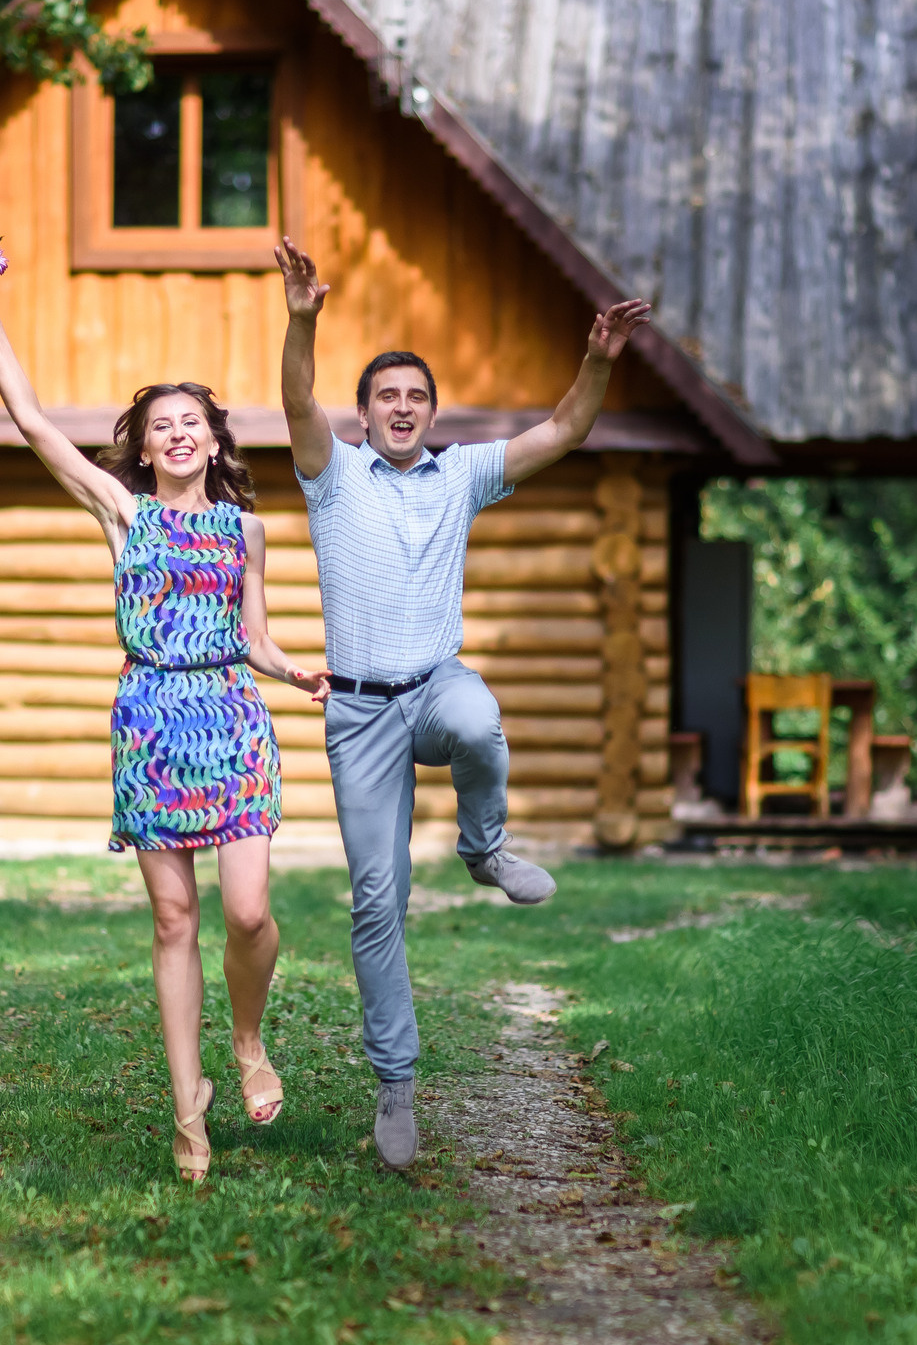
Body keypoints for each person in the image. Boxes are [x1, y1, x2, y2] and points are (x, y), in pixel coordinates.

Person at [273, 237, 651, 1170]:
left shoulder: (464, 476)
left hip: (436, 687)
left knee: (480, 720)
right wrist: (303, 320)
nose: (402, 408)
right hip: (358, 712)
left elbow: (563, 430)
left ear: (430, 413)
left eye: (416, 398)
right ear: (362, 414)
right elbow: (292, 399)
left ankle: (483, 849)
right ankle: (396, 1083)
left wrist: (595, 364)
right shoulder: (333, 479)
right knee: (376, 899)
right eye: (385, 398)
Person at [0, 278, 330, 1183]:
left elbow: (252, 635)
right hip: (152, 720)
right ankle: (187, 1112)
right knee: (175, 918)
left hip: (232, 718)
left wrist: (295, 670)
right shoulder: (122, 512)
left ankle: (247, 1039)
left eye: (191, 422)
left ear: (213, 439)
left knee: (248, 911)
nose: (177, 433)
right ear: (146, 444)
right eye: (161, 423)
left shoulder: (245, 529)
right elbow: (35, 424)